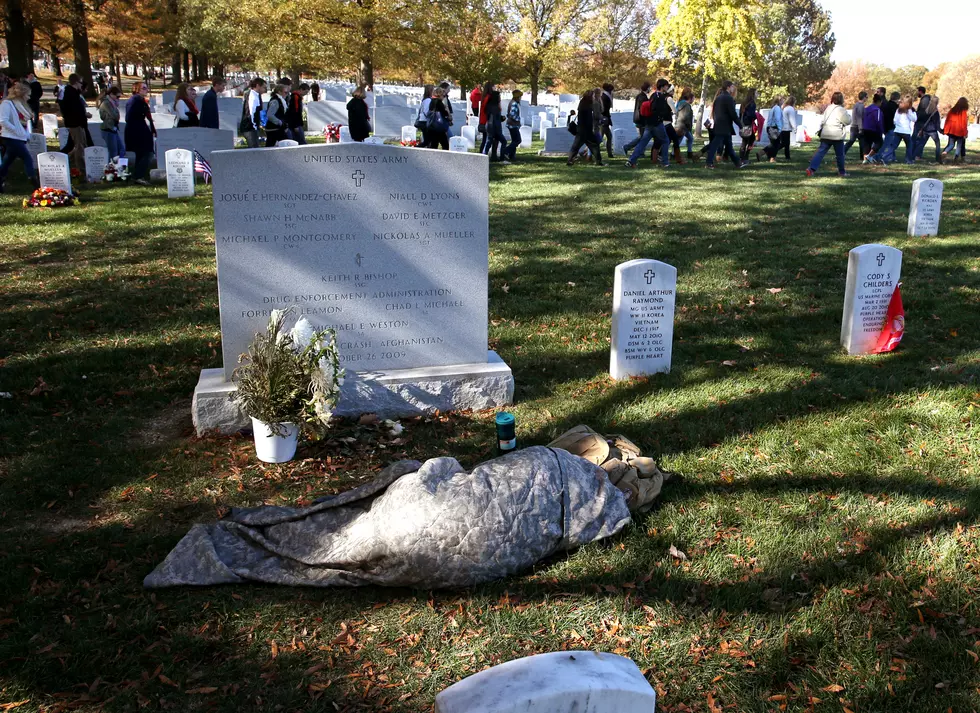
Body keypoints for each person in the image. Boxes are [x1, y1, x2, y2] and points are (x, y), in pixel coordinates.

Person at [0, 80, 38, 194]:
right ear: (21, 94)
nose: (29, 97)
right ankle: (33, 180)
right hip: (10, 136)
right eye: (27, 95)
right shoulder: (7, 104)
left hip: (18, 137)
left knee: (7, 161)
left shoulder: (20, 105)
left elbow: (23, 124)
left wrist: (25, 134)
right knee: (27, 157)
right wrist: (16, 131)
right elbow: (3, 121)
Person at [625, 78, 671, 168]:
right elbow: (657, 110)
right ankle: (665, 162)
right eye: (666, 86)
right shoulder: (660, 97)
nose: (667, 87)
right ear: (662, 87)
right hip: (657, 123)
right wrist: (663, 115)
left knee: (642, 142)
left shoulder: (653, 95)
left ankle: (631, 161)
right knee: (666, 140)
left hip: (649, 123)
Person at [806, 91, 850, 177]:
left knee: (820, 153)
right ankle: (841, 172)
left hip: (826, 134)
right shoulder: (841, 110)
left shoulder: (828, 108)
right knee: (840, 155)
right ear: (841, 99)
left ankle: (811, 169)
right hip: (837, 135)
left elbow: (822, 121)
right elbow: (847, 121)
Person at [704, 81, 744, 169]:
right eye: (732, 87)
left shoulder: (718, 98)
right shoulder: (728, 98)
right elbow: (733, 114)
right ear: (728, 87)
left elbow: (715, 112)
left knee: (729, 146)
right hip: (724, 126)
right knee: (715, 144)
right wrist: (740, 125)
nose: (733, 89)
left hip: (719, 124)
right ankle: (708, 162)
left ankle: (737, 162)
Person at [124, 82, 155, 185]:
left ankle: (138, 176)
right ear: (137, 89)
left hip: (141, 129)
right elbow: (129, 117)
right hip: (137, 131)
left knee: (142, 154)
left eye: (146, 88)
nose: (146, 90)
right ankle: (138, 175)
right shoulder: (135, 101)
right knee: (147, 153)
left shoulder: (140, 100)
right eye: (143, 88)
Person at [61, 73, 91, 175]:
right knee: (79, 146)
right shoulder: (70, 93)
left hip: (79, 123)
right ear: (76, 82)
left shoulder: (74, 93)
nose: (81, 84)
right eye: (80, 82)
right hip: (75, 123)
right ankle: (81, 169)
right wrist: (83, 115)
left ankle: (67, 160)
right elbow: (73, 111)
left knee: (80, 144)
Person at [567, 89, 603, 166]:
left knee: (575, 147)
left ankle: (570, 161)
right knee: (595, 146)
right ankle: (599, 162)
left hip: (580, 129)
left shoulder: (582, 103)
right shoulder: (588, 106)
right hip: (587, 130)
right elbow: (588, 119)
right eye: (593, 95)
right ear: (590, 97)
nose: (594, 97)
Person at [623, 81, 651, 155]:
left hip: (638, 118)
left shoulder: (640, 96)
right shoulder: (643, 97)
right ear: (647, 88)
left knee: (642, 137)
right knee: (642, 137)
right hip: (641, 119)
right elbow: (643, 110)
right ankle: (628, 147)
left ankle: (639, 151)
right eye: (649, 88)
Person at [98, 85, 124, 159]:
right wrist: (116, 108)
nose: (118, 99)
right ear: (111, 94)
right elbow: (115, 116)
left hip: (113, 129)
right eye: (117, 97)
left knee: (121, 150)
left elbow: (116, 117)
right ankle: (111, 168)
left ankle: (119, 166)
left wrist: (115, 108)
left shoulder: (112, 103)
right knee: (113, 153)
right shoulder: (106, 103)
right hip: (108, 129)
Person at [239, 77, 266, 148]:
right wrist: (254, 126)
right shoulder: (252, 96)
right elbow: (251, 112)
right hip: (249, 127)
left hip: (252, 127)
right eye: (263, 87)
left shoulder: (256, 95)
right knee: (254, 150)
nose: (264, 89)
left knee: (255, 148)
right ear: (257, 86)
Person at [915, 96, 943, 162]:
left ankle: (916, 155)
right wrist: (940, 130)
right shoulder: (935, 111)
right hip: (932, 130)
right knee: (937, 143)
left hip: (925, 129)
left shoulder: (926, 110)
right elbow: (937, 122)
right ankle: (938, 158)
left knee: (922, 143)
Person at [484, 90, 509, 163]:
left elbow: (492, 118)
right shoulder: (495, 107)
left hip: (490, 126)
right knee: (503, 141)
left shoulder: (489, 106)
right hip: (494, 127)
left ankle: (485, 155)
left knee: (489, 142)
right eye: (499, 96)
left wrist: (501, 118)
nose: (500, 98)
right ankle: (501, 157)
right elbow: (494, 119)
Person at [942, 97, 969, 163]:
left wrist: (945, 129)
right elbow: (964, 123)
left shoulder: (952, 110)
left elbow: (947, 120)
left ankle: (945, 152)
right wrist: (965, 133)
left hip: (951, 130)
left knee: (951, 145)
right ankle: (956, 158)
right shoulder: (963, 112)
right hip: (959, 131)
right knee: (959, 145)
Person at [672, 88, 695, 163]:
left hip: (681, 125)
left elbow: (677, 113)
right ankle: (674, 154)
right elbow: (686, 116)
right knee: (678, 140)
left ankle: (689, 152)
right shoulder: (686, 105)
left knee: (690, 138)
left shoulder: (680, 103)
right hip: (683, 126)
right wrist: (688, 126)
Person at [861, 93, 884, 163]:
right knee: (879, 142)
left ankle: (865, 160)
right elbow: (878, 121)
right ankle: (869, 156)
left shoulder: (867, 109)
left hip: (865, 128)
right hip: (873, 129)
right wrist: (881, 130)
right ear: (879, 102)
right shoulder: (877, 110)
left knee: (867, 144)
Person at [910, 85, 931, 161]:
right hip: (920, 122)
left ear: (920, 91)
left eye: (917, 91)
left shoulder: (925, 100)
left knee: (918, 139)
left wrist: (917, 116)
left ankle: (916, 155)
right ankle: (914, 155)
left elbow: (923, 112)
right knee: (916, 139)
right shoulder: (924, 99)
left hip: (921, 123)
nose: (917, 93)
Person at [761, 96, 784, 162]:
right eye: (782, 100)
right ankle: (772, 158)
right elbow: (777, 119)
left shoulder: (773, 108)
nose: (783, 102)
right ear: (779, 100)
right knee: (776, 144)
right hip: (774, 127)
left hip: (770, 127)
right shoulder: (777, 108)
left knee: (773, 144)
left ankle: (763, 154)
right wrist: (779, 128)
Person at [737, 87, 757, 162]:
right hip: (747, 124)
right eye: (756, 93)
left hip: (742, 124)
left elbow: (740, 114)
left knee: (746, 140)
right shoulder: (752, 103)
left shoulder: (744, 102)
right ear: (753, 94)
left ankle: (742, 157)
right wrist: (756, 116)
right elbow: (750, 114)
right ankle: (744, 157)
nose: (758, 94)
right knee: (748, 141)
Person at [844, 91, 866, 155]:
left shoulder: (856, 104)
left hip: (853, 126)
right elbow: (859, 117)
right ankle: (862, 157)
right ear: (863, 97)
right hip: (857, 127)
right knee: (862, 143)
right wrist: (861, 128)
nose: (867, 98)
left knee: (851, 141)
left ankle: (842, 152)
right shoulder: (861, 106)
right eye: (866, 97)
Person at [506, 89, 523, 160]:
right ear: (517, 97)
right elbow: (512, 114)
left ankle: (511, 156)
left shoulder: (511, 102)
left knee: (514, 141)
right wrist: (519, 119)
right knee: (518, 140)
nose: (520, 98)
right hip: (513, 125)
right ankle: (505, 151)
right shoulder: (514, 104)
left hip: (511, 124)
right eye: (520, 97)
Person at [600, 83, 614, 158]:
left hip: (605, 119)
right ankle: (589, 152)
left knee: (606, 136)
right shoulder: (605, 97)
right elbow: (604, 110)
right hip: (604, 120)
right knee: (603, 137)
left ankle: (610, 153)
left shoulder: (604, 96)